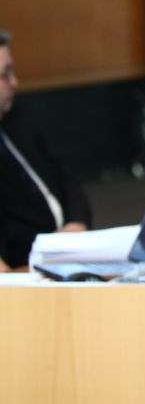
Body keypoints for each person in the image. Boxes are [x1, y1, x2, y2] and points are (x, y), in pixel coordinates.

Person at [0, 30, 91, 272]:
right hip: (27, 269)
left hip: (69, 250)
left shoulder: (19, 118)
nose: (14, 82)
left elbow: (66, 177)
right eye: (5, 75)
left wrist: (77, 223)